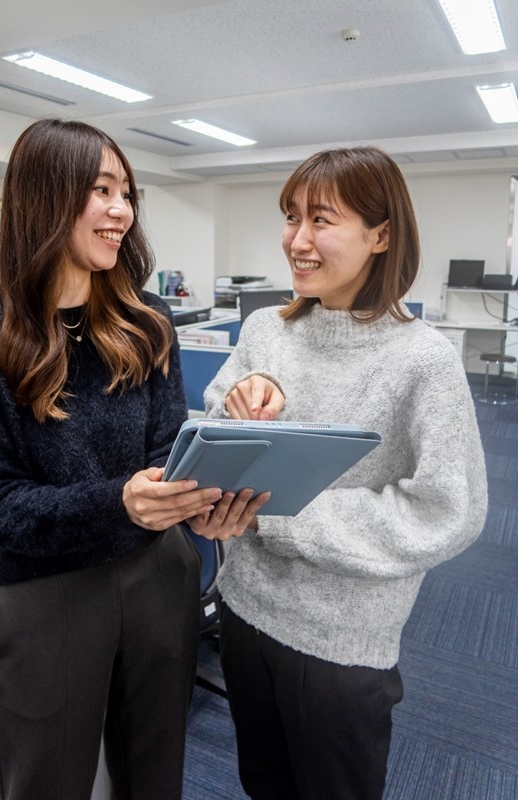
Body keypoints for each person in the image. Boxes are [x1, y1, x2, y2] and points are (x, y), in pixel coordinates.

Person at [0, 118, 266, 800]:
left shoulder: (147, 320)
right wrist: (119, 501)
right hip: (50, 593)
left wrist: (207, 508)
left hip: (159, 574)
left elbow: (171, 454)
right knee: (47, 779)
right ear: (46, 197)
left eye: (126, 192)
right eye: (101, 189)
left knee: (153, 771)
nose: (121, 211)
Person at [195, 146, 488, 800]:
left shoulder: (423, 361)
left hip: (337, 646)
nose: (296, 240)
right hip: (243, 611)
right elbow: (217, 412)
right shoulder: (265, 329)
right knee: (262, 784)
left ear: (380, 234)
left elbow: (448, 509)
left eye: (320, 220)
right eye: (290, 217)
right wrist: (240, 401)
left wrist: (283, 512)